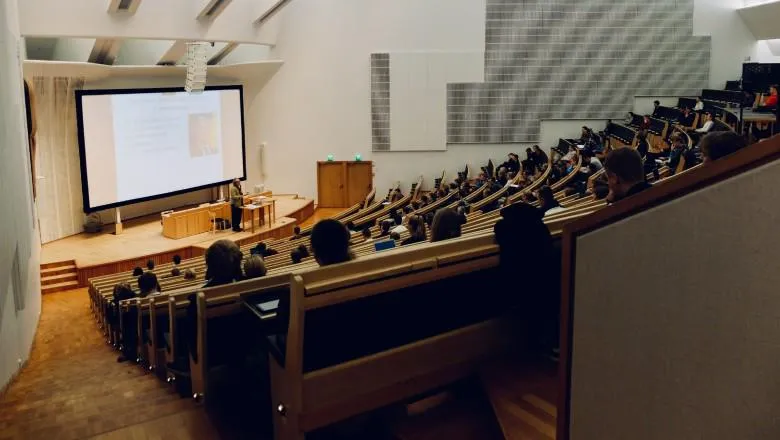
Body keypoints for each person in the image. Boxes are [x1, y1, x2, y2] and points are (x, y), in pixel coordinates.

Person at [493, 203, 559, 355]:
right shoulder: (540, 228)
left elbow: (499, 229)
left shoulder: (507, 229)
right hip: (546, 279)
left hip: (520, 283)